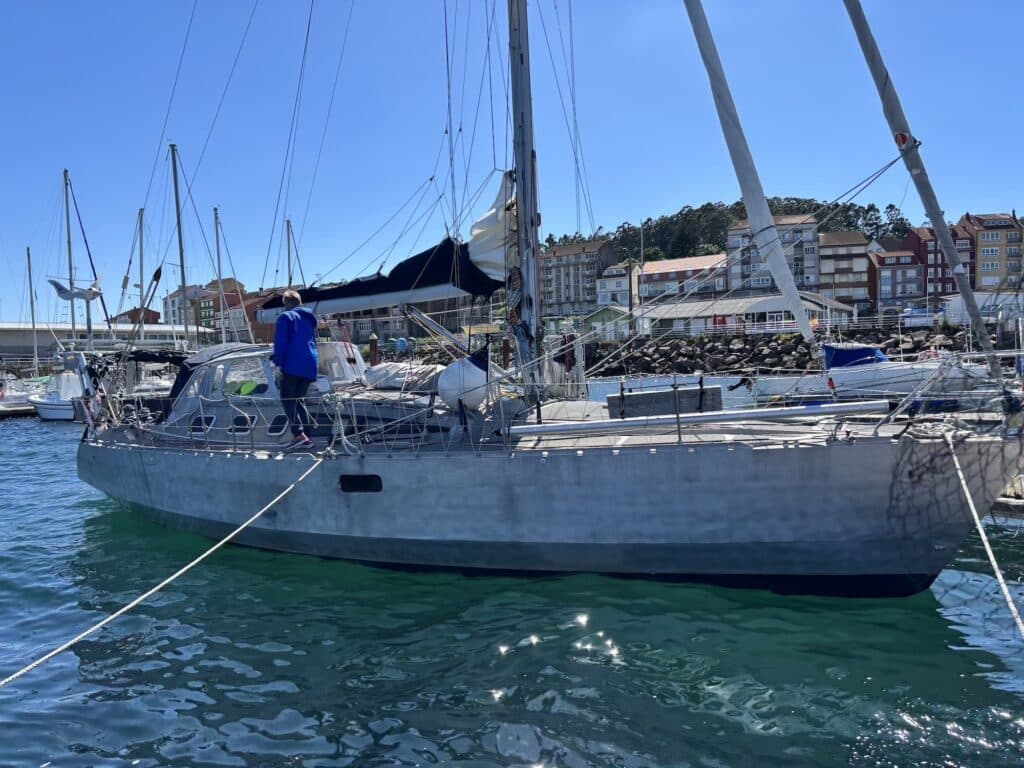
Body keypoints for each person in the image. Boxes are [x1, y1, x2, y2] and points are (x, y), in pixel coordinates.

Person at [272, 289, 319, 451]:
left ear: (285, 304)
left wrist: (278, 364)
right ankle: (307, 436)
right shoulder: (310, 318)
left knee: (287, 399)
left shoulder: (285, 317)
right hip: (310, 364)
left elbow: (281, 342)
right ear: (299, 303)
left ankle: (298, 435)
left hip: (293, 363)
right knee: (299, 400)